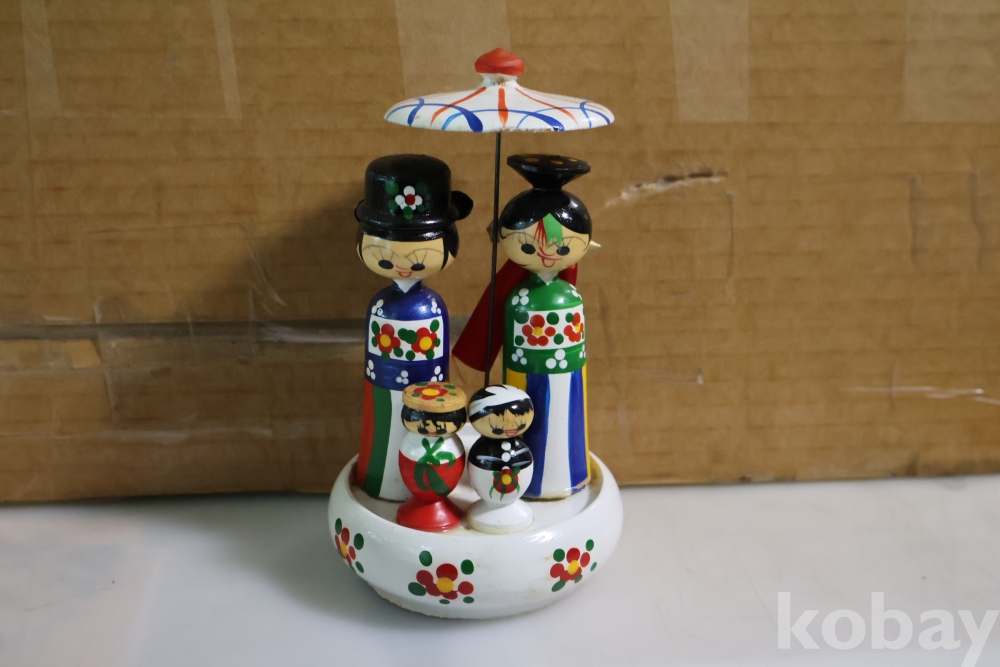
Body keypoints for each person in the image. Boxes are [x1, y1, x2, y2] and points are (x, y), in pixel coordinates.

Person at [353, 155, 472, 500]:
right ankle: (380, 481)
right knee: (383, 434)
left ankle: (423, 491)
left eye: (418, 259)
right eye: (387, 256)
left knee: (421, 438)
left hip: (428, 396)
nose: (404, 267)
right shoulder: (382, 306)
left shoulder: (432, 307)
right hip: (382, 388)